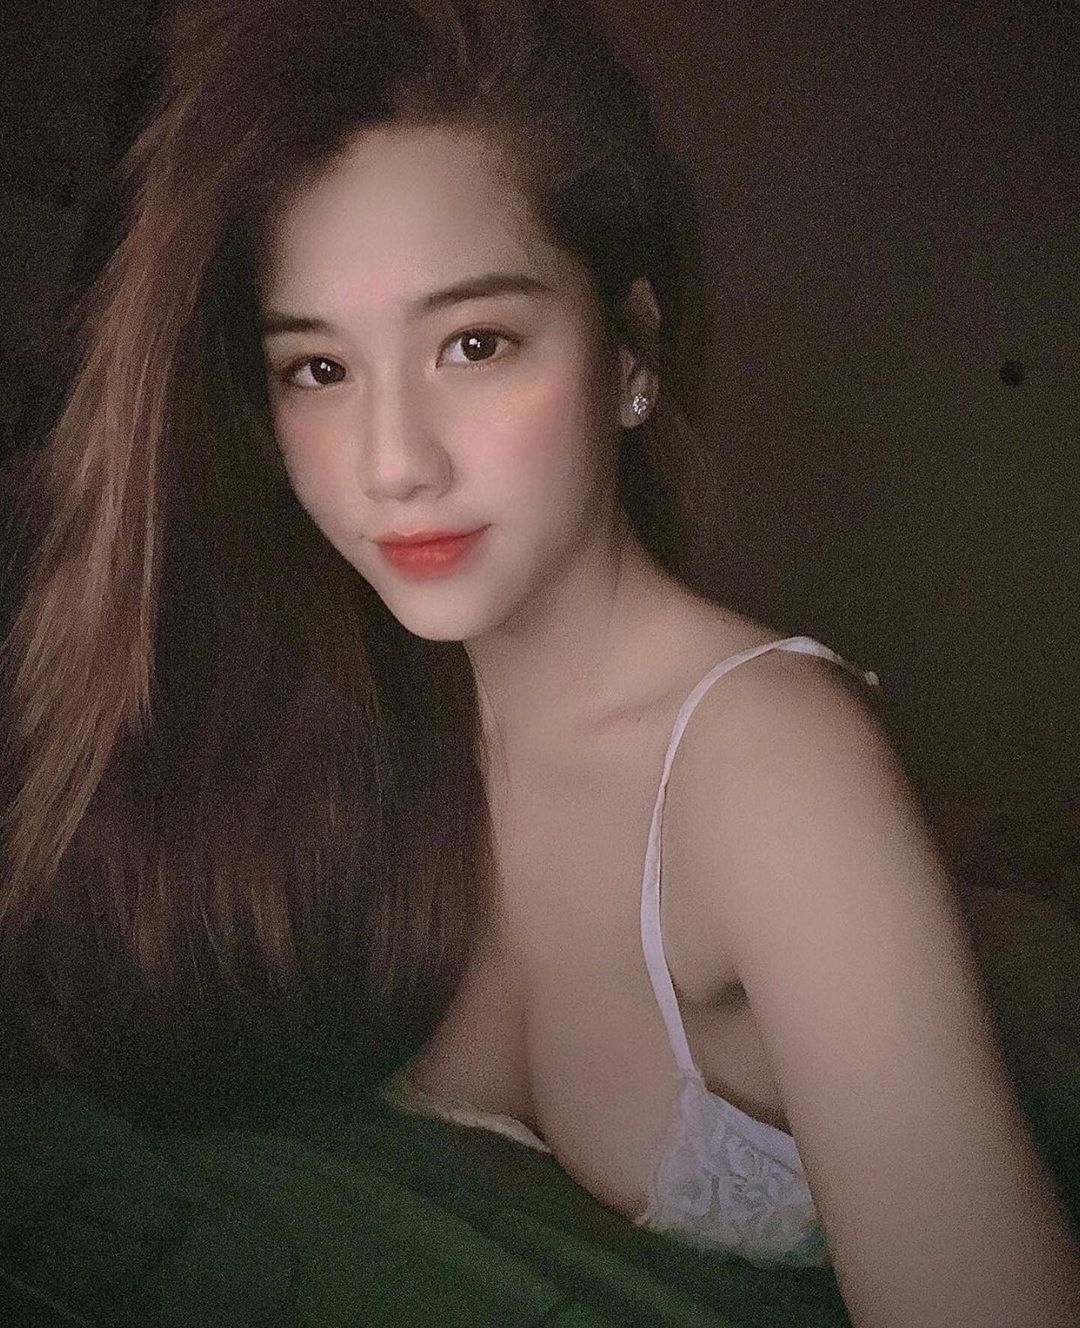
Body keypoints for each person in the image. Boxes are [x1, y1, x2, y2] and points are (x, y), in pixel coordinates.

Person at [1, 1, 1077, 1323]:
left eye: (474, 344)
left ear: (630, 353)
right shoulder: (352, 706)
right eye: (319, 368)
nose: (394, 462)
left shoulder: (768, 763)